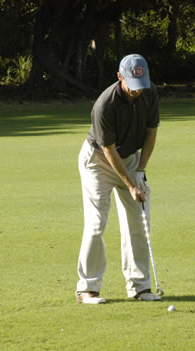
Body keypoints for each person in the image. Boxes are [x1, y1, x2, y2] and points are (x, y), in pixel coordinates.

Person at [76, 54, 161, 304]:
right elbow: (108, 150)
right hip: (99, 161)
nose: (137, 92)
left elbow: (151, 133)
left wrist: (140, 171)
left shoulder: (149, 92)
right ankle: (87, 289)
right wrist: (130, 183)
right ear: (119, 77)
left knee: (139, 221)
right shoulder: (105, 105)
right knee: (96, 224)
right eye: (132, 87)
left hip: (132, 159)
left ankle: (140, 287)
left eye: (141, 86)